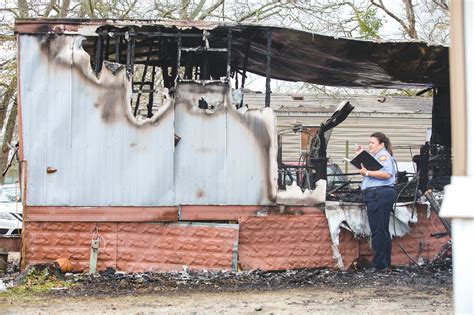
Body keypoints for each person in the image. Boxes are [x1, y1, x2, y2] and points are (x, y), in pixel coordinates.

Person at [358, 132, 397, 272]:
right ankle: (384, 264)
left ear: (381, 144)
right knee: (381, 230)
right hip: (377, 194)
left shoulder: (383, 156)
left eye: (372, 143)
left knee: (378, 231)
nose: (370, 145)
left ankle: (380, 265)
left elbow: (387, 174)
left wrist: (367, 173)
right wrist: (361, 155)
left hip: (378, 194)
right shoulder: (376, 157)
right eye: (369, 142)